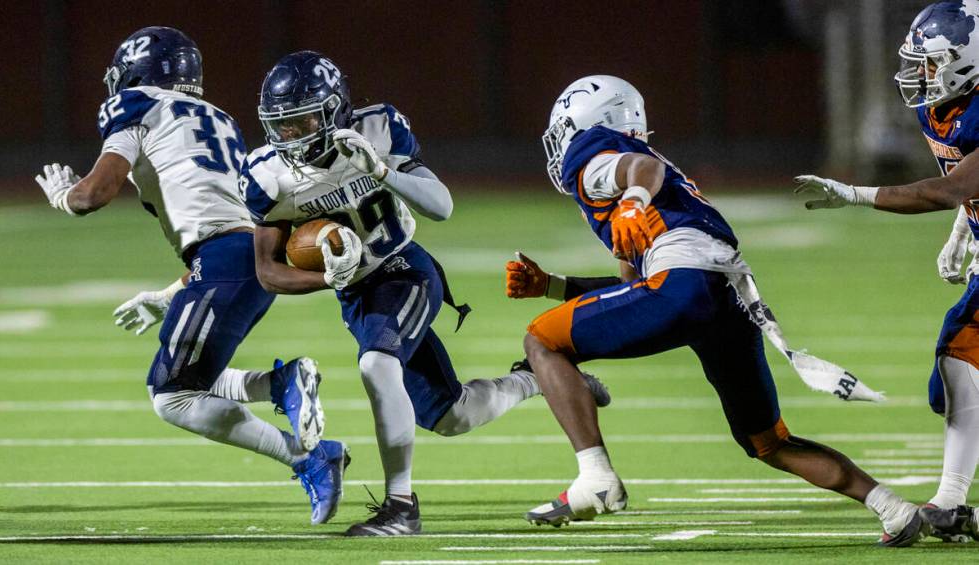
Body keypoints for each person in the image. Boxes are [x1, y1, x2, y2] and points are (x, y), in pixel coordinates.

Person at [509, 74, 929, 546]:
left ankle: (596, 478)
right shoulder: (650, 192)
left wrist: (632, 199)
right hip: (722, 294)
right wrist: (554, 286)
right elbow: (639, 289)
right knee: (769, 443)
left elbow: (641, 170)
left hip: (686, 283)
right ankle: (894, 509)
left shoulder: (595, 157)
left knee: (541, 341)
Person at [241, 51, 610, 537]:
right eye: (281, 125)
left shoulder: (377, 130)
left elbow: (442, 206)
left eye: (302, 121)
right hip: (357, 292)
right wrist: (329, 278)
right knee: (452, 415)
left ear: (334, 111)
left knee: (377, 364)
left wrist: (382, 172)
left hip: (403, 270)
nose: (291, 135)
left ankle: (400, 508)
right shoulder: (267, 175)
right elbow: (268, 272)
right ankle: (539, 381)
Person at [32, 27, 347, 525]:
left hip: (225, 259)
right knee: (188, 379)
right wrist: (167, 294)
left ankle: (307, 451)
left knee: (172, 396)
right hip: (247, 256)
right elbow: (222, 214)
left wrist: (65, 198)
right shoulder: (217, 118)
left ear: (135, 73)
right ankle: (280, 387)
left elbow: (96, 192)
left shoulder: (133, 105)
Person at [794, 0, 979, 543]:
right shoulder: (942, 107)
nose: (919, 74)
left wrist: (852, 193)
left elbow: (946, 189)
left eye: (932, 62)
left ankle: (950, 501)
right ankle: (953, 504)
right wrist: (967, 229)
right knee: (954, 379)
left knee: (960, 356)